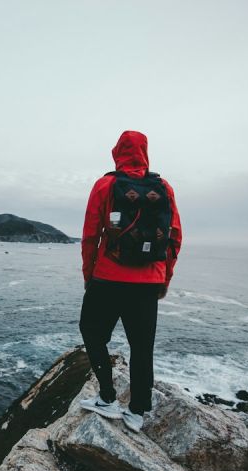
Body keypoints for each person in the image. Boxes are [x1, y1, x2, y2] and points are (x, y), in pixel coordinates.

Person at [78, 130, 182, 433]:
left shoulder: (105, 185)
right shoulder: (164, 187)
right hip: (149, 281)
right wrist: (165, 278)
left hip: (108, 278)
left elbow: (90, 236)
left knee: (92, 331)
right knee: (142, 347)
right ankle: (136, 413)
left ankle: (107, 398)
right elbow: (175, 237)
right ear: (145, 152)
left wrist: (89, 276)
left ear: (117, 153)